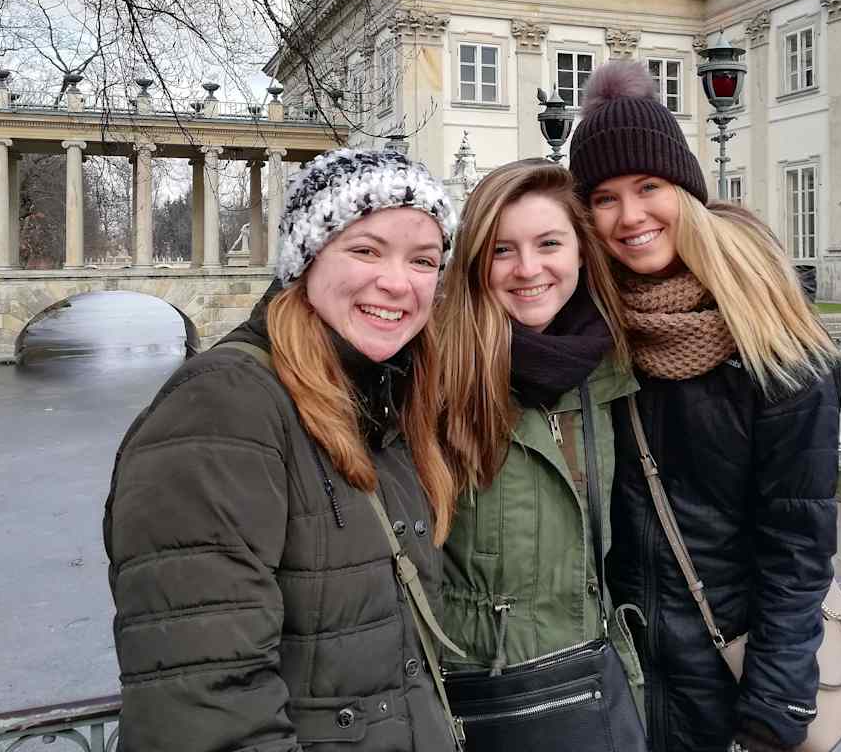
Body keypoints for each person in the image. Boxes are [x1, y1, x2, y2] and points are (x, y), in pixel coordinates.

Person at [104, 148, 461, 752]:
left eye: (423, 260)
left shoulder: (386, 405)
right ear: (305, 260)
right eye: (366, 249)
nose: (398, 282)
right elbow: (205, 707)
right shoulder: (222, 407)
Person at [569, 61, 841, 752]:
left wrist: (774, 709)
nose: (629, 216)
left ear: (685, 190)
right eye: (603, 197)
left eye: (648, 187)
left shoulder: (771, 342)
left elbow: (797, 544)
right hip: (609, 676)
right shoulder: (588, 329)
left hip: (727, 681)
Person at [435, 159, 642, 681]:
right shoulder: (435, 370)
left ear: (580, 250)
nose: (527, 269)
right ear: (477, 262)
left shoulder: (614, 368)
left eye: (549, 244)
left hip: (593, 683)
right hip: (481, 690)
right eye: (502, 250)